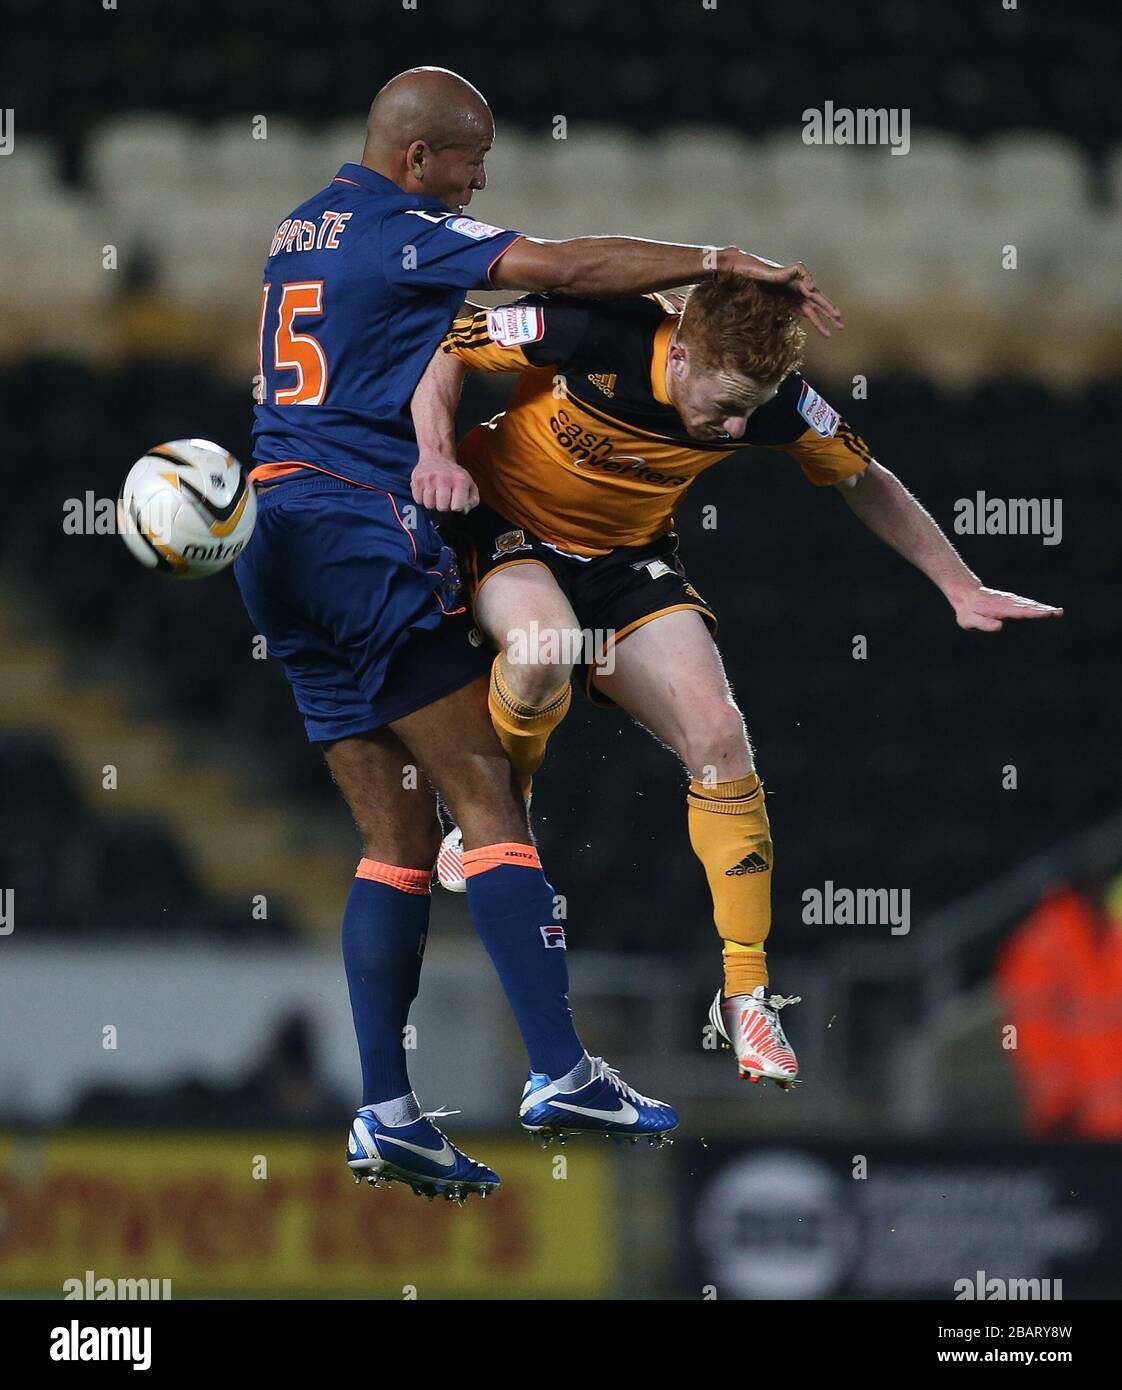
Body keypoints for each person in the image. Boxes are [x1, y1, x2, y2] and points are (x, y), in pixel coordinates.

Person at [235, 65, 843, 1203]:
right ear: (420, 158)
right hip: (359, 532)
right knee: (486, 799)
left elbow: (443, 342)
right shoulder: (404, 225)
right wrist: (716, 260)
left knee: (395, 838)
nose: (481, 183)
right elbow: (564, 269)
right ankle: (562, 1071)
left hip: (274, 538)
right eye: (473, 162)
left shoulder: (299, 226)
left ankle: (387, 1110)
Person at [415, 274, 1063, 1090]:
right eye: (723, 406)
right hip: (506, 521)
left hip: (625, 562)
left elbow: (866, 477)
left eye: (748, 410)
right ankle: (493, 813)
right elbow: (448, 345)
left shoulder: (769, 399)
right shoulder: (590, 329)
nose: (735, 427)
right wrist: (435, 454)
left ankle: (748, 996)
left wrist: (958, 584)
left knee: (720, 736)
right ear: (679, 351)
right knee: (544, 645)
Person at [997, 874, 1122, 1137]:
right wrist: (1054, 1101)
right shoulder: (1041, 942)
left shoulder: (1111, 934)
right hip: (1069, 1124)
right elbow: (1018, 1033)